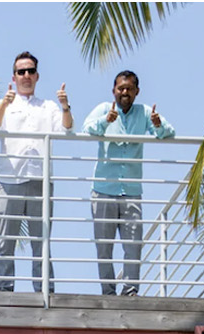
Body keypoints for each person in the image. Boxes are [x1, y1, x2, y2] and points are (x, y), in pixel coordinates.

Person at [82, 71, 176, 296]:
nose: (124, 92)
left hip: (131, 191)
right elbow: (86, 129)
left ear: (136, 92)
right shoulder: (104, 109)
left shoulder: (144, 113)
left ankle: (130, 290)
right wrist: (106, 122)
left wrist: (158, 124)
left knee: (133, 244)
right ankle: (108, 291)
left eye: (129, 88)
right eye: (120, 88)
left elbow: (169, 133)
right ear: (113, 90)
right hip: (103, 189)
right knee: (104, 246)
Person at [0, 52, 72, 292]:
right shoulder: (4, 103)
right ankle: (3, 290)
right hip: (9, 179)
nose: (26, 75)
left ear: (37, 76)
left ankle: (44, 291)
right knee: (5, 241)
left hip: (40, 180)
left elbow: (66, 128)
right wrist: (4, 102)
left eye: (30, 71)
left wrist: (66, 106)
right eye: (21, 71)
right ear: (13, 76)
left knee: (41, 243)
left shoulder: (48, 106)